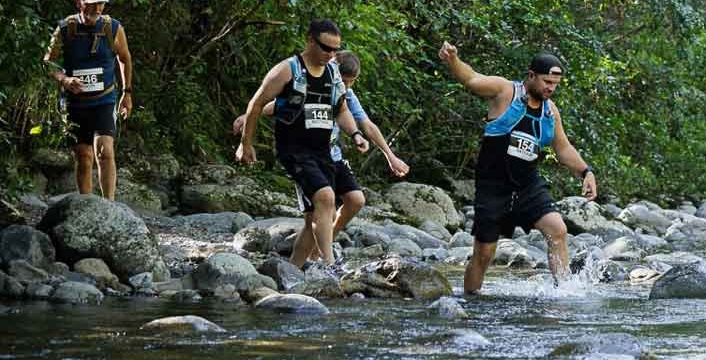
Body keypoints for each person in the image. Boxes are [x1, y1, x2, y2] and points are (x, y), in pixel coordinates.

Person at [438, 42, 597, 294]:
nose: (550, 88)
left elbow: (563, 148)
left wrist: (586, 172)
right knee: (483, 254)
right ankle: (470, 301)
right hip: (493, 187)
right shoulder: (505, 91)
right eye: (546, 82)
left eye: (555, 84)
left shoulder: (550, 112)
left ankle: (564, 294)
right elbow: (472, 79)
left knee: (557, 229)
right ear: (531, 75)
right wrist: (454, 59)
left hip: (527, 186)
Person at [234, 50, 409, 267]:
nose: (347, 86)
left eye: (351, 82)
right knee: (316, 215)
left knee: (354, 200)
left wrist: (390, 156)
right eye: (344, 81)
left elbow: (367, 125)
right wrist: (248, 116)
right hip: (303, 156)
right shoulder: (310, 82)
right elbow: (276, 105)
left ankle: (317, 249)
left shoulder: (344, 93)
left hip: (331, 157)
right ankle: (310, 267)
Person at [236, 20, 369, 269]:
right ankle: (330, 267)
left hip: (324, 152)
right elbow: (256, 104)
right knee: (326, 198)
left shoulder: (332, 73)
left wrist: (355, 135)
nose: (331, 55)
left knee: (316, 216)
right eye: (325, 48)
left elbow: (340, 109)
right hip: (294, 150)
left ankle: (293, 271)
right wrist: (246, 144)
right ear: (310, 41)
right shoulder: (287, 70)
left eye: (335, 50)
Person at [43, 0, 133, 200]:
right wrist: (64, 80)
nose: (97, 9)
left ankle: (109, 205)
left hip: (104, 99)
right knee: (84, 156)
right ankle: (86, 204)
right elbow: (48, 62)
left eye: (101, 3)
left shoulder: (113, 28)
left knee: (105, 151)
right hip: (75, 103)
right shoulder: (66, 28)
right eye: (92, 3)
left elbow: (124, 58)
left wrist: (127, 93)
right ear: (79, 2)